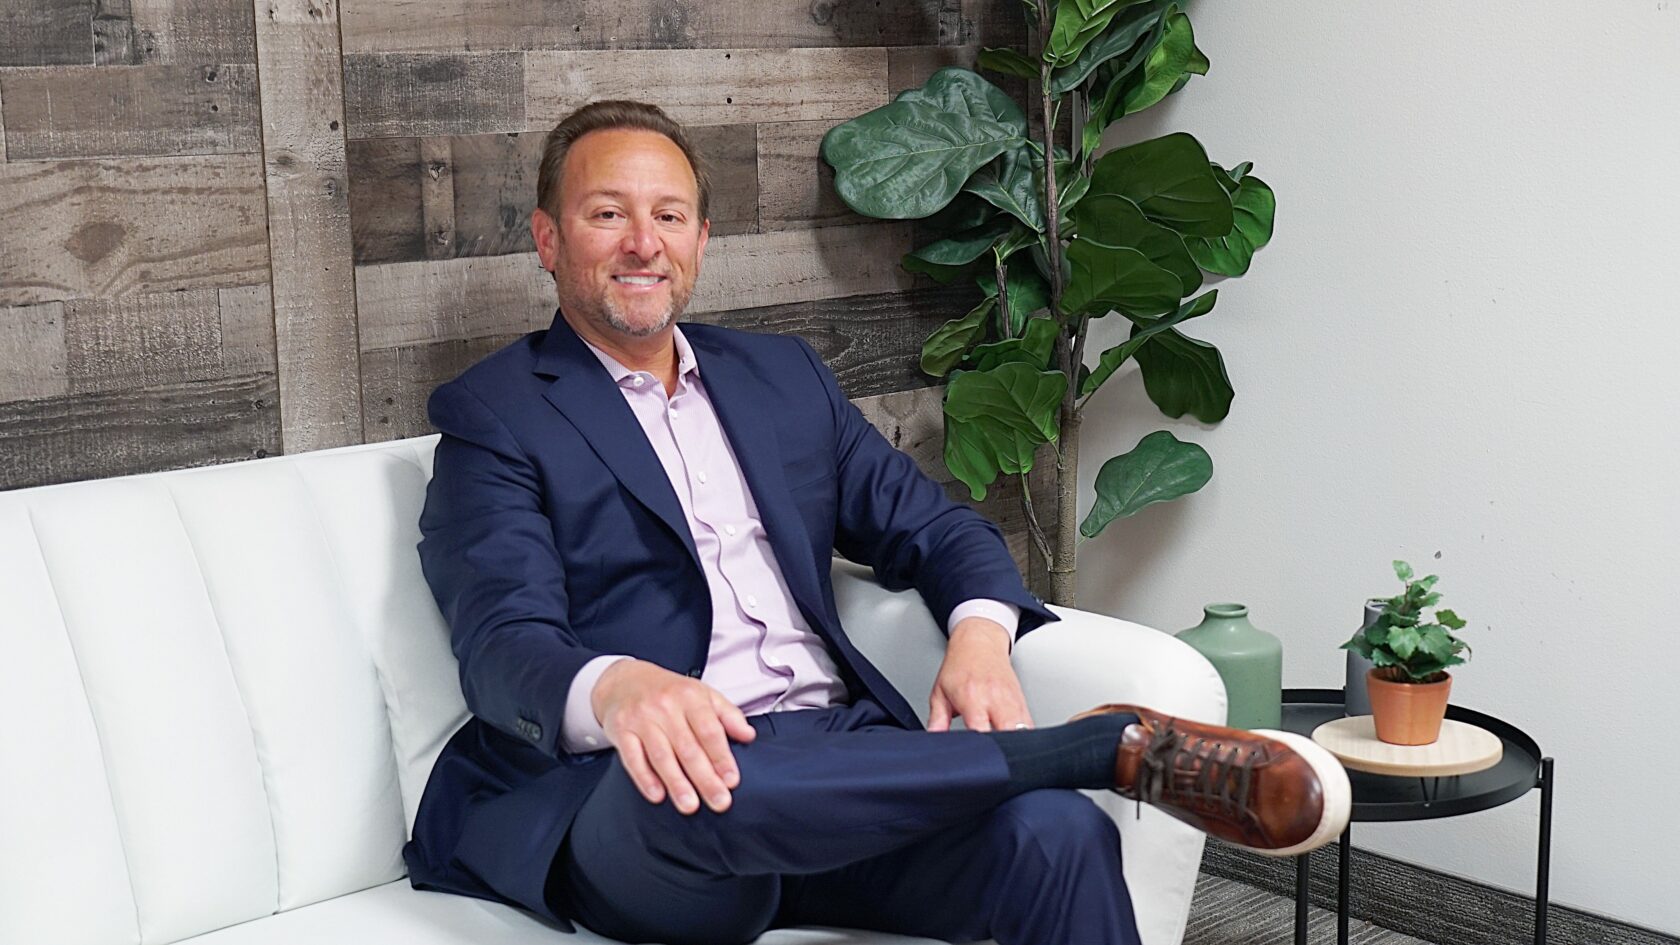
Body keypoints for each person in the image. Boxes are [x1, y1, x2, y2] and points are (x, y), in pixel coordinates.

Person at [402, 100, 1350, 945]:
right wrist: (616, 691)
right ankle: (1096, 750)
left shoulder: (781, 379)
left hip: (833, 764)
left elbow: (939, 530)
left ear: (700, 237)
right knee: (698, 790)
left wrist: (980, 637)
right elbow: (502, 639)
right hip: (648, 804)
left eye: (669, 215)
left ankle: (1065, 777)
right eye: (608, 213)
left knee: (1061, 835)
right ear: (548, 238)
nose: (642, 241)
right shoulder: (497, 414)